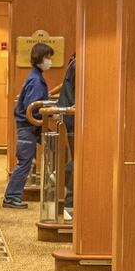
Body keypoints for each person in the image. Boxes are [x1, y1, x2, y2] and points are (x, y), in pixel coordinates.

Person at [3, 43, 53, 209]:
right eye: (47, 57)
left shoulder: (35, 76)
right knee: (24, 162)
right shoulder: (36, 80)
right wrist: (48, 111)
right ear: (39, 58)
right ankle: (11, 196)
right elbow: (31, 106)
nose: (49, 61)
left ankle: (13, 195)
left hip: (30, 127)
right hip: (28, 126)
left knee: (28, 160)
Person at [57, 54, 77, 220]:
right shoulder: (80, 66)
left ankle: (69, 200)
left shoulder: (73, 64)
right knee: (78, 161)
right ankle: (70, 202)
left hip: (71, 121)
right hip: (75, 122)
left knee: (75, 160)